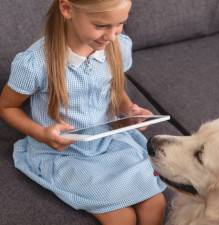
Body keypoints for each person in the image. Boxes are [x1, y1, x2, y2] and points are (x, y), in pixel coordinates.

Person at [0, 0, 167, 224]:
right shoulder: (35, 63)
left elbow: (112, 92)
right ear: (67, 8)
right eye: (101, 25)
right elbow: (7, 106)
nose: (111, 36)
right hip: (63, 153)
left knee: (156, 204)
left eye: (119, 24)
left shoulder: (117, 46)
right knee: (122, 219)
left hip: (109, 141)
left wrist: (129, 110)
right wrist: (41, 134)